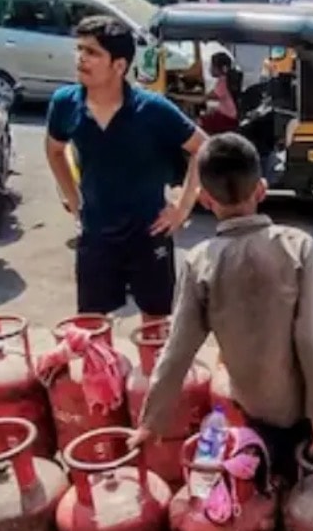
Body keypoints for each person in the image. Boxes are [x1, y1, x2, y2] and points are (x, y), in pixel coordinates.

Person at [131, 132, 313, 486]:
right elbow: (312, 337)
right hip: (302, 409)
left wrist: (151, 422)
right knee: (305, 496)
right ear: (261, 190)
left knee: (260, 496)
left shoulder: (200, 261)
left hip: (252, 411)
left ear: (206, 200)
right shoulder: (298, 247)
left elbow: (178, 349)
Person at [45, 16, 205, 325]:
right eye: (79, 49)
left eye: (92, 52)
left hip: (148, 233)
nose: (81, 58)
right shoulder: (65, 103)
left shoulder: (152, 109)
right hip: (96, 233)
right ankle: (101, 375)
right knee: (91, 325)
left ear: (119, 65)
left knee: (156, 324)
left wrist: (183, 208)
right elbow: (54, 150)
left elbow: (204, 148)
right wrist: (75, 202)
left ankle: (151, 374)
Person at [198, 51, 239, 134]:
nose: (211, 69)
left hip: (226, 120)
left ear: (221, 68)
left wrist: (178, 96)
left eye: (213, 66)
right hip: (231, 118)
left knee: (198, 123)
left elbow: (202, 99)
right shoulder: (228, 79)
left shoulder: (222, 81)